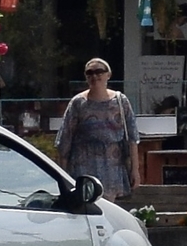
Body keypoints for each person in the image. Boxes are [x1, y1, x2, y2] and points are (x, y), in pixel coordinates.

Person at [55, 58, 136, 201]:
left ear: (108, 75)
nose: (94, 76)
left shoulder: (120, 101)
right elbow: (65, 139)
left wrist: (135, 170)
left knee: (109, 210)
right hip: (83, 167)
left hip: (112, 167)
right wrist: (63, 177)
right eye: (89, 73)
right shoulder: (77, 103)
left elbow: (132, 137)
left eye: (99, 71)